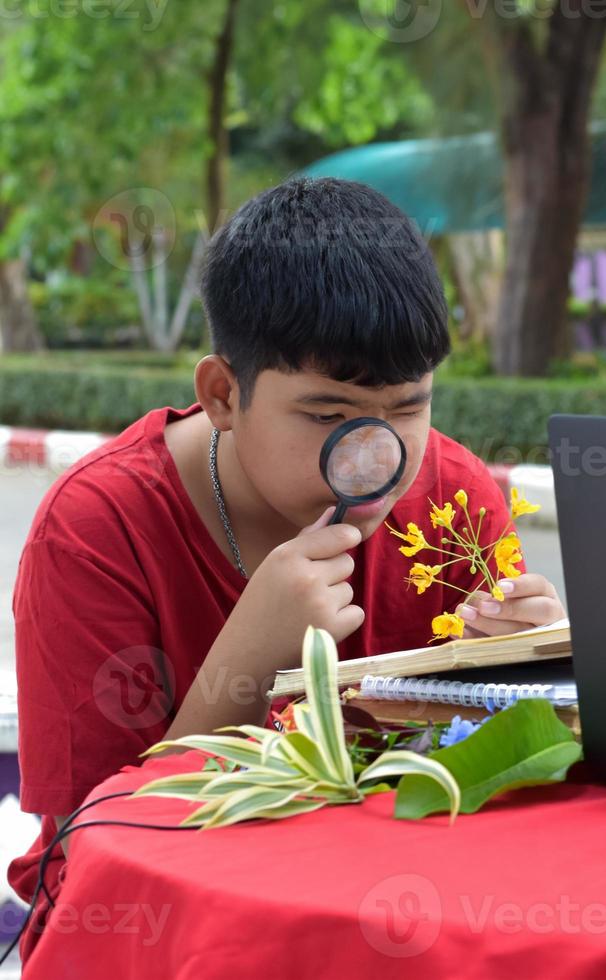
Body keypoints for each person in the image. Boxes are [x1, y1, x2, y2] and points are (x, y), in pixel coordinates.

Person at [7, 177, 564, 956]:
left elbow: (514, 800)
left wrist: (542, 683)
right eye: (329, 417)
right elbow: (83, 867)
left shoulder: (453, 501)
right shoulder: (96, 532)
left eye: (408, 408)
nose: (379, 459)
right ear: (223, 394)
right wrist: (246, 665)